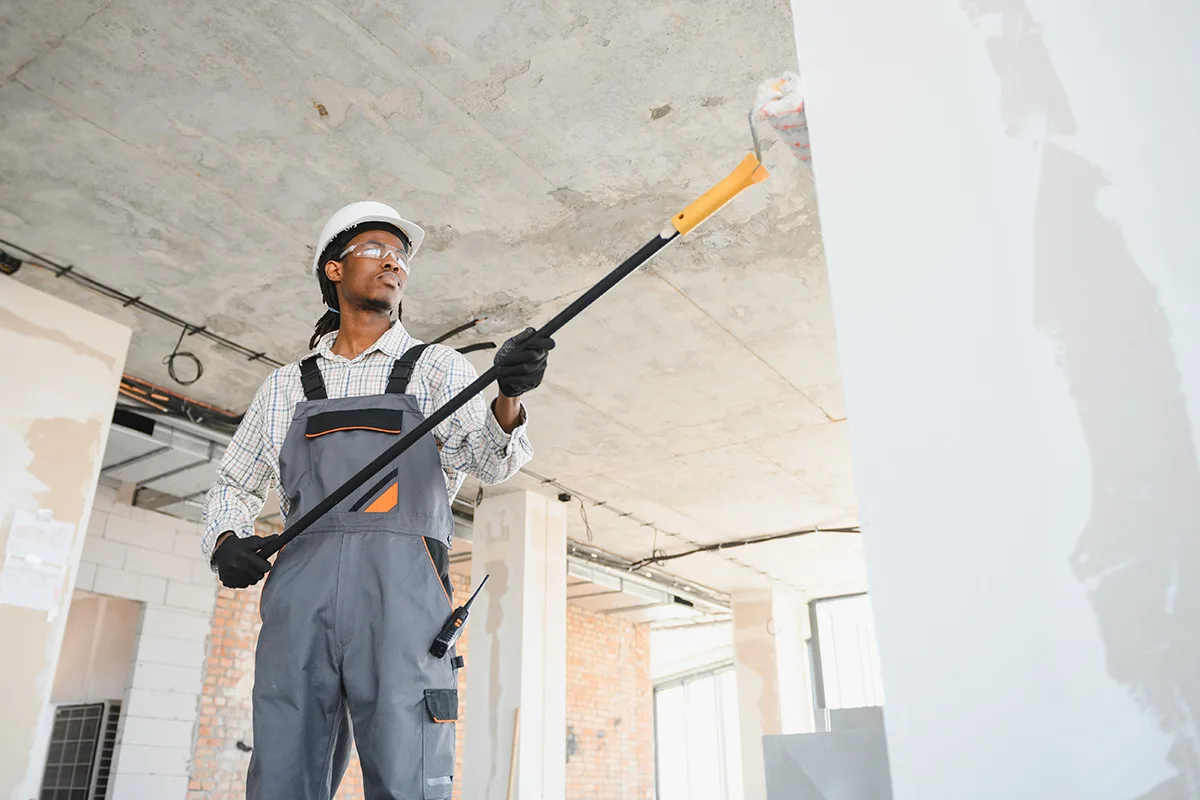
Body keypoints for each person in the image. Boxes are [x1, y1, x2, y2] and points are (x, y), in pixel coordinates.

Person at [201, 201, 554, 800]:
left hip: (403, 599)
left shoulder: (436, 369)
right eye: (376, 251)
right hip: (301, 599)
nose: (394, 264)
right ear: (333, 271)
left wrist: (508, 398)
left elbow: (493, 462)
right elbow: (234, 481)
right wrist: (226, 541)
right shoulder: (286, 384)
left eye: (401, 257)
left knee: (407, 768)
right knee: (284, 766)